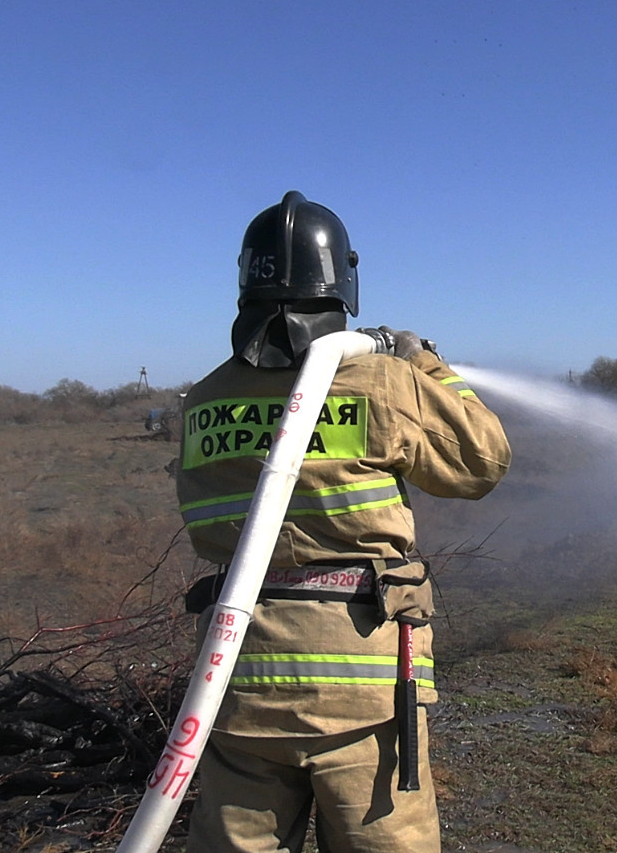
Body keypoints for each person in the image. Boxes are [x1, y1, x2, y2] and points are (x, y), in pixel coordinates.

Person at [175, 191, 512, 853]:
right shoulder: (378, 380)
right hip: (364, 689)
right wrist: (426, 363)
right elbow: (483, 459)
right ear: (342, 281)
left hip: (237, 680)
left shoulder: (205, 399)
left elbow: (204, 525)